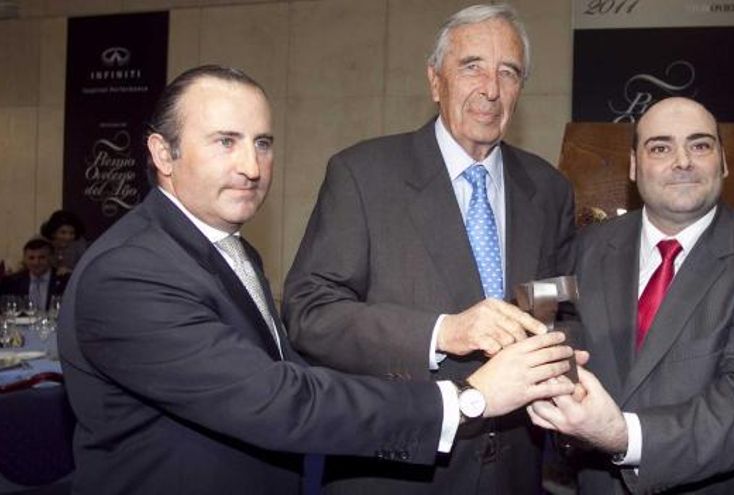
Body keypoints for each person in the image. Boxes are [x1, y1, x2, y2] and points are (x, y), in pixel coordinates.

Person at [57, 65, 579, 495]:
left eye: (262, 143)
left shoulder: (231, 250)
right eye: (225, 141)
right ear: (162, 154)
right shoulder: (130, 272)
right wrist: (470, 397)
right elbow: (277, 401)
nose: (252, 166)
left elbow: (292, 371)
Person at [283, 4, 576, 493]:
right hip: (398, 471)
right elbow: (309, 313)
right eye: (472, 67)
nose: (490, 88)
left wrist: (560, 362)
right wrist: (443, 331)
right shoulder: (363, 175)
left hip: (514, 475)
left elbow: (557, 310)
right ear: (435, 80)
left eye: (509, 72)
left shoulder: (549, 190)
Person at [527, 97, 734, 493]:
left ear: (723, 161)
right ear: (634, 166)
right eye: (660, 147)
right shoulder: (584, 250)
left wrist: (624, 436)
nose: (682, 160)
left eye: (700, 145)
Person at [0, 238, 68, 311]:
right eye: (31, 258)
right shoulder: (12, 281)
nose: (36, 262)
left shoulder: (65, 281)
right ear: (24, 259)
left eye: (42, 257)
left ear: (51, 258)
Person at [40, 209, 88, 275]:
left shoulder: (79, 244)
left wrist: (71, 272)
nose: (67, 237)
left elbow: (86, 269)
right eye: (63, 232)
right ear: (53, 233)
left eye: (72, 233)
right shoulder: (42, 244)